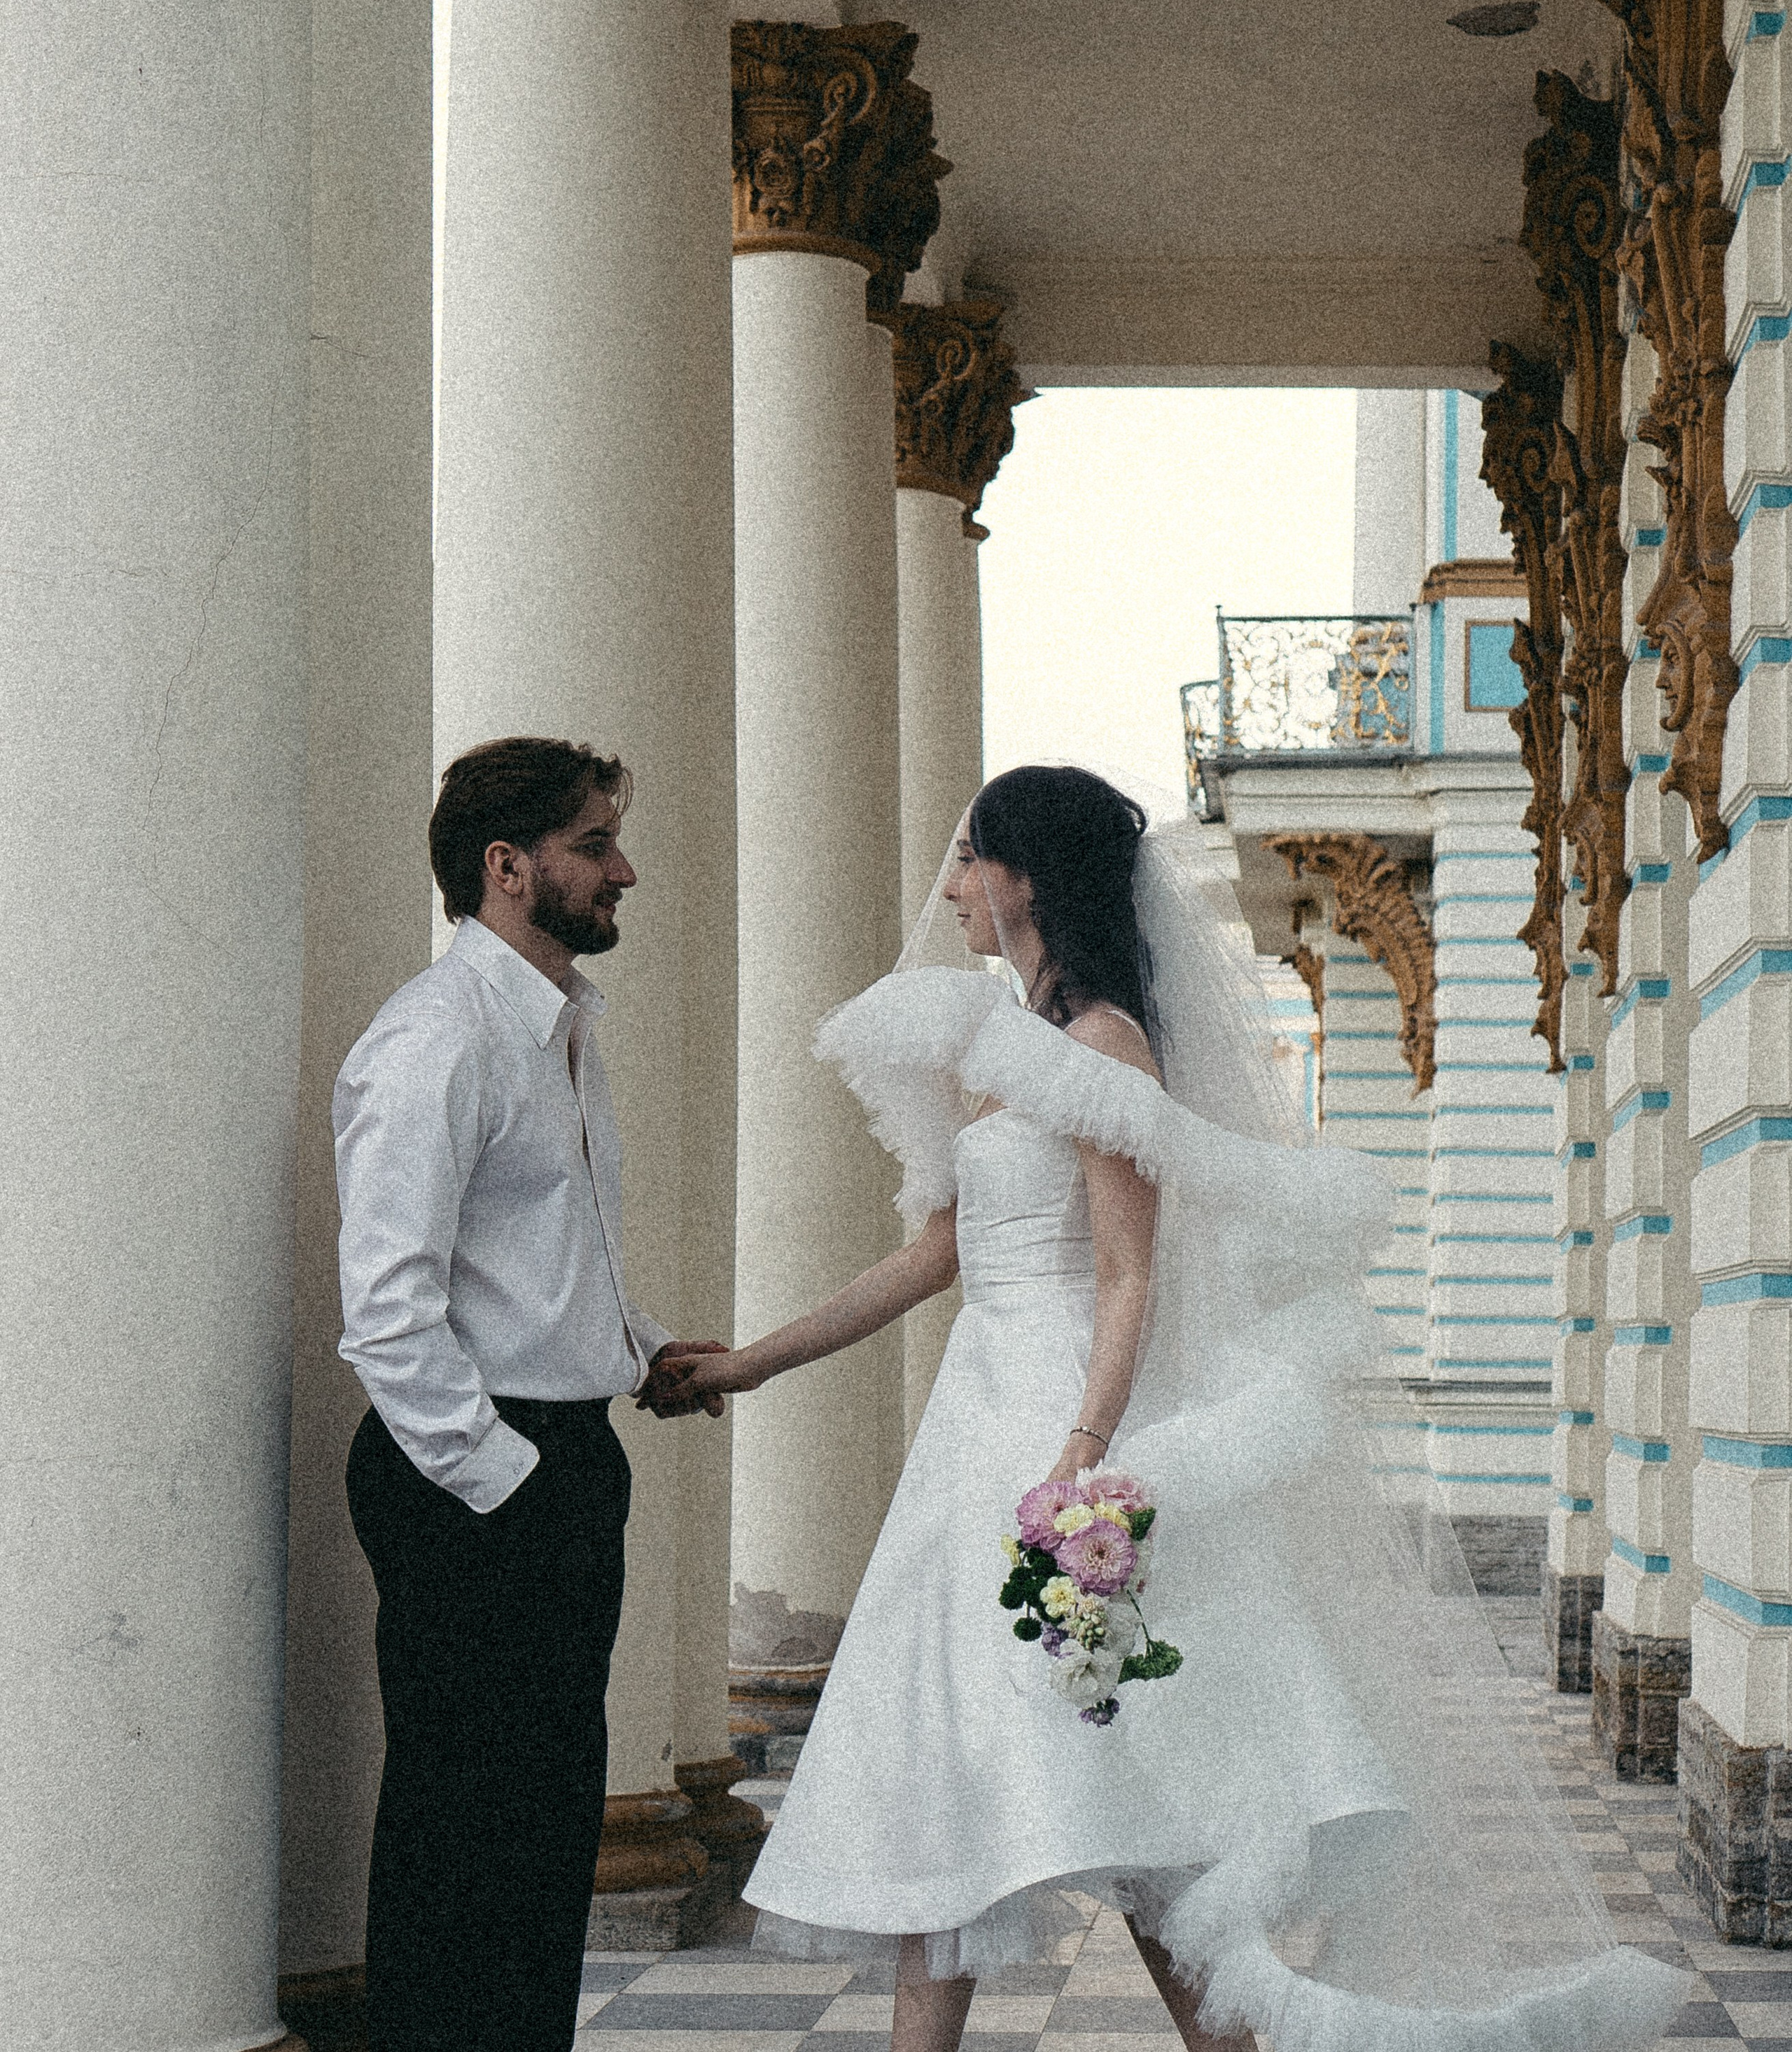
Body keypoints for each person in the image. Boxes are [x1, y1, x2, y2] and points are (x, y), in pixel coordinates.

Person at [659, 764, 1688, 2052]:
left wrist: (1086, 1458)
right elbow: (936, 1254)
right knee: (953, 1788)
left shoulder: (1103, 1047)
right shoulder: (993, 1051)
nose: (951, 886)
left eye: (970, 858)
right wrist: (752, 1364)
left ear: (1029, 878)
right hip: (971, 1434)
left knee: (1145, 1806)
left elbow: (1128, 1273)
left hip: (1067, 1423)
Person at [335, 735, 721, 2052]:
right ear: (507, 867)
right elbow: (389, 1308)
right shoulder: (435, 1040)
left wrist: (638, 1350)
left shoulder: (561, 1027)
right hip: (472, 1474)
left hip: (556, 1454)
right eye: (594, 845)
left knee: (546, 1828)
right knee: (461, 1830)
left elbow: (544, 1259)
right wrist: (511, 1482)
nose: (627, 871)